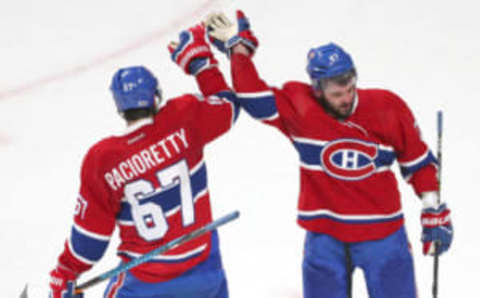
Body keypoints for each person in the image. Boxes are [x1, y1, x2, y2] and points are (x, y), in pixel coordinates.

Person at [206, 11, 453, 298]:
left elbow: (418, 162)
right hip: (325, 237)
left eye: (350, 89)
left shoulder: (387, 106)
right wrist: (238, 51)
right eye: (338, 94)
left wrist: (432, 207)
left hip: (383, 235)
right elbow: (252, 97)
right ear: (318, 90)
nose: (347, 98)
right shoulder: (299, 106)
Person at [48, 23, 239, 298]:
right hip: (205, 272)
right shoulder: (184, 118)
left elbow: (90, 240)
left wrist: (65, 273)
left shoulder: (105, 159)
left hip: (147, 284)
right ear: (156, 96)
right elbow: (227, 106)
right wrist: (201, 64)